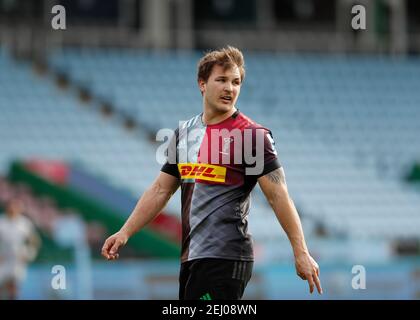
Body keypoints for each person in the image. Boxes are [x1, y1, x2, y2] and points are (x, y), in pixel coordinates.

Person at [101, 46, 323, 299]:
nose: (230, 88)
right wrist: (125, 231)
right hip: (192, 258)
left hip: (226, 256)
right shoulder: (184, 133)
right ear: (202, 84)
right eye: (222, 80)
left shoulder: (252, 135)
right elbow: (161, 189)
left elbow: (278, 195)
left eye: (236, 82)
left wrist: (301, 251)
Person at [0, 198, 41, 299]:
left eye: (15, 206)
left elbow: (35, 241)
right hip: (3, 259)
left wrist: (29, 254)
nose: (13, 209)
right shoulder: (1, 222)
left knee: (14, 286)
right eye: (10, 206)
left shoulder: (25, 223)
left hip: (18, 259)